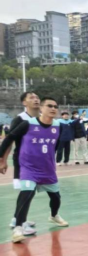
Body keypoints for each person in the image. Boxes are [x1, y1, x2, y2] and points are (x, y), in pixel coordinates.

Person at [0, 97, 70, 243]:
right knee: (26, 194)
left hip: (47, 168)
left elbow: (55, 146)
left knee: (56, 197)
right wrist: (1, 158)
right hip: (28, 168)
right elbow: (9, 138)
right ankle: (18, 228)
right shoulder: (28, 124)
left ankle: (54, 216)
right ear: (41, 108)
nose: (53, 108)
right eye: (49, 106)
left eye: (55, 106)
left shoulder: (58, 125)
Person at [7, 92, 40, 230]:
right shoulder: (20, 119)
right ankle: (20, 224)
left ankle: (17, 219)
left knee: (29, 191)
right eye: (31, 98)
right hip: (23, 161)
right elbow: (9, 141)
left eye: (37, 97)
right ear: (24, 103)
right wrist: (2, 160)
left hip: (36, 161)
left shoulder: (39, 119)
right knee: (27, 191)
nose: (36, 99)